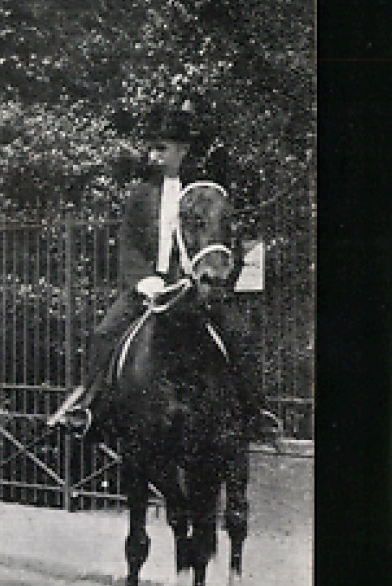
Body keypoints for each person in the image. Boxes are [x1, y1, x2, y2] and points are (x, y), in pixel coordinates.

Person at [49, 104, 280, 444]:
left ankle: (256, 412)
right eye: (152, 147)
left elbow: (219, 240)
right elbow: (128, 245)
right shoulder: (141, 195)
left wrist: (209, 278)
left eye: (162, 148)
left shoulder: (204, 193)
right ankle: (89, 407)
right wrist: (145, 280)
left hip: (194, 286)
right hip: (149, 287)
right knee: (103, 334)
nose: (154, 155)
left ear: (182, 150)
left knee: (239, 334)